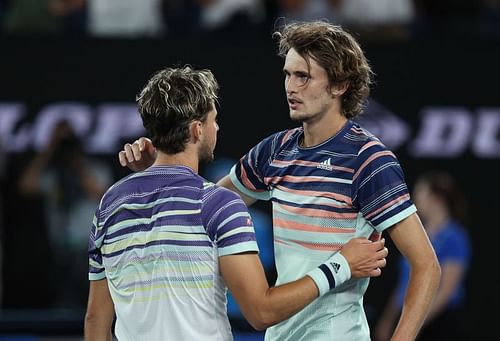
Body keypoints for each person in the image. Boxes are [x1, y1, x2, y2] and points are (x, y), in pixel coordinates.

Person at [119, 21, 441, 340]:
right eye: (288, 74)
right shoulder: (274, 151)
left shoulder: (369, 160)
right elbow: (199, 211)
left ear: (340, 84)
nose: (290, 86)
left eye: (303, 76)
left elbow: (426, 266)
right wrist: (160, 168)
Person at [87, 65, 388, 341]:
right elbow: (261, 313)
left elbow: (96, 318)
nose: (217, 129)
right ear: (196, 130)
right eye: (214, 120)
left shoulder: (110, 205)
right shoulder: (219, 204)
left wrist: (154, 173)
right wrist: (342, 265)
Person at [19, 119, 112, 307]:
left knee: (91, 305)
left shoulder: (96, 170)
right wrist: (50, 147)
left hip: (91, 252)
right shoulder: (55, 174)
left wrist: (76, 164)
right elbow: (26, 185)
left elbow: (102, 196)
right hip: (59, 254)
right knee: (61, 306)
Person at [374, 171, 471, 341]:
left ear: (437, 199)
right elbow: (404, 284)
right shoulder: (417, 236)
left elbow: (446, 290)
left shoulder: (455, 237)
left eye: (420, 193)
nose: (415, 199)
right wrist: (389, 319)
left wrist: (416, 321)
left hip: (441, 322)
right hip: (411, 316)